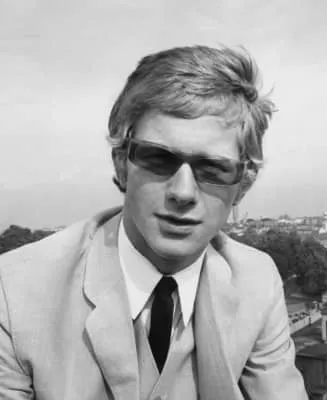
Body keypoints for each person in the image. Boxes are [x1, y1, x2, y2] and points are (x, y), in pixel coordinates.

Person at [0, 45, 308, 399]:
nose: (183, 192)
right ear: (121, 164)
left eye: (213, 169)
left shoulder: (257, 282)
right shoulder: (16, 292)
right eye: (158, 159)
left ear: (242, 186)